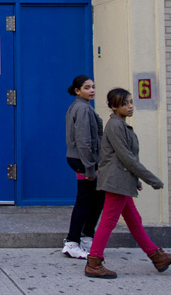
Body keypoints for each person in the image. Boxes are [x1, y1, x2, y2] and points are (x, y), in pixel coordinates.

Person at [85, 88, 171, 279]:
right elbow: (126, 157)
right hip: (116, 181)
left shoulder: (121, 124)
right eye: (125, 103)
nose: (130, 106)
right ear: (114, 107)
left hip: (122, 180)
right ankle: (94, 262)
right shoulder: (115, 126)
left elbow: (126, 159)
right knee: (108, 221)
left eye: (130, 102)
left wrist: (135, 179)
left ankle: (157, 257)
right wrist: (151, 179)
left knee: (134, 221)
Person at [62, 75, 105, 259]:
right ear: (78, 90)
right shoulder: (82, 108)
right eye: (87, 87)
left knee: (97, 198)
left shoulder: (81, 107)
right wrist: (89, 167)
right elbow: (83, 140)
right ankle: (72, 242)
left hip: (83, 160)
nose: (92, 90)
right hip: (83, 161)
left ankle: (86, 236)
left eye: (93, 87)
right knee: (85, 201)